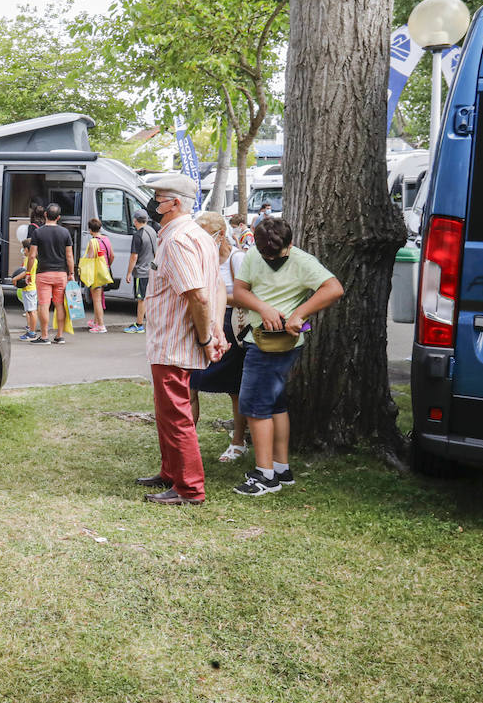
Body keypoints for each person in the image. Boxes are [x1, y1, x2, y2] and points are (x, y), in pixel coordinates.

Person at [230, 216, 344, 496]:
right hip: (258, 338)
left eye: (277, 255)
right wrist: (264, 309)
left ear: (290, 243)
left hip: (275, 345)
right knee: (274, 405)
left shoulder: (302, 260)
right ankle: (280, 468)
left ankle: (265, 476)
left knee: (255, 407)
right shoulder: (255, 254)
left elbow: (334, 288)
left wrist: (299, 314)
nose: (271, 260)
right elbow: (240, 291)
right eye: (266, 254)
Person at [133, 174, 227, 505]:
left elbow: (200, 296)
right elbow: (215, 287)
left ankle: (189, 488)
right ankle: (171, 472)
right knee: (168, 413)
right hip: (174, 341)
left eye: (158, 198)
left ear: (175, 203)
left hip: (175, 343)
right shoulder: (196, 235)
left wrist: (206, 338)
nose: (152, 204)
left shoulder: (177, 240)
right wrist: (215, 332)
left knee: (176, 416)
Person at [187, 212, 249, 463]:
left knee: (234, 387)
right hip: (204, 323)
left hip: (231, 325)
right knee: (191, 384)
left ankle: (239, 441)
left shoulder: (237, 258)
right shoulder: (201, 258)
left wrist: (216, 297)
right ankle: (187, 440)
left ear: (220, 234)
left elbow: (248, 296)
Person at [26, 203, 74, 345]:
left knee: (44, 305)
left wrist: (28, 272)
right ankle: (59, 336)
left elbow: (32, 255)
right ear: (58, 217)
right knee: (59, 305)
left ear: (45, 214)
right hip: (61, 274)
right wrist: (71, 273)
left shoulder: (38, 232)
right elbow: (69, 256)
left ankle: (45, 336)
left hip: (43, 274)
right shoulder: (65, 233)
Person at [123, 208, 158, 334]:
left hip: (141, 271)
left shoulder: (138, 235)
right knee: (148, 298)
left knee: (141, 299)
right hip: (151, 270)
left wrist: (128, 273)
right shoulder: (152, 231)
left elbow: (134, 256)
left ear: (135, 220)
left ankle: (139, 325)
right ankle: (151, 323)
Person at [78, 218, 113, 333]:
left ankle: (101, 325)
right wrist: (107, 266)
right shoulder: (106, 239)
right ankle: (96, 321)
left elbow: (90, 258)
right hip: (104, 272)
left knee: (97, 300)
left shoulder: (93, 242)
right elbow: (112, 255)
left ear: (90, 230)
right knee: (99, 298)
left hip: (95, 274)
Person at [10, 238, 39, 341]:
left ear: (28, 249)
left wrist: (15, 278)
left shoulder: (32, 260)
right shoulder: (27, 258)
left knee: (32, 311)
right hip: (27, 289)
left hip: (30, 289)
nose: (23, 250)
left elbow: (26, 272)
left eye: (23, 248)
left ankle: (32, 333)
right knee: (29, 311)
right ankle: (30, 330)